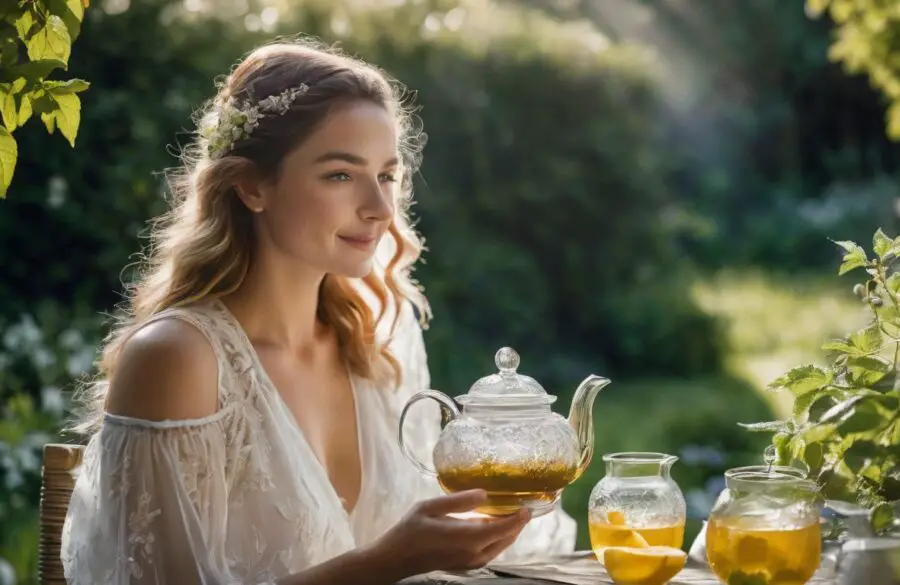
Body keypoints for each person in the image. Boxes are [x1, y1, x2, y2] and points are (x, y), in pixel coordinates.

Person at [60, 38, 577, 585]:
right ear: (252, 186)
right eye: (340, 175)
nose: (379, 210)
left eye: (387, 176)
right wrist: (386, 564)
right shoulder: (178, 361)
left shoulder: (380, 334)